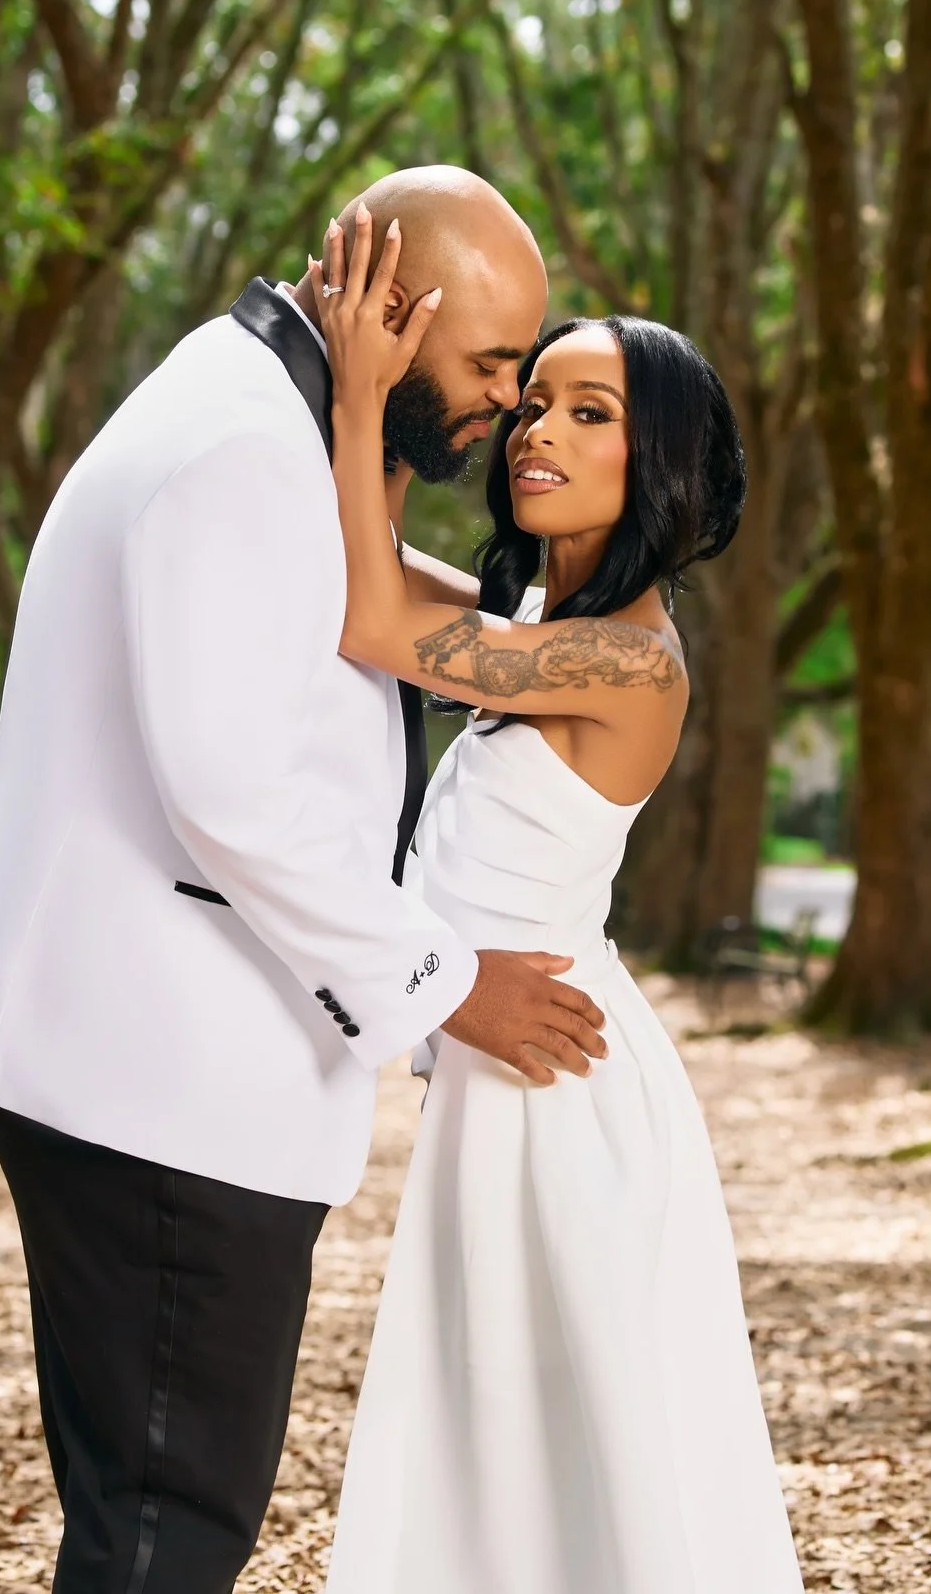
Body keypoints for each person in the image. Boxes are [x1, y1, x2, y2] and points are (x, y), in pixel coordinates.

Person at [0, 167, 610, 1594]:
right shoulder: (241, 446)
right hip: (161, 1084)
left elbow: (344, 599)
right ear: (389, 309)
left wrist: (543, 627)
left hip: (137, 1059)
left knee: (151, 1519)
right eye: (487, 364)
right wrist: (447, 983)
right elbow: (234, 788)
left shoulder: (256, 414)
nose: (502, 404)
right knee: (170, 1528)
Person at [318, 207, 805, 1593]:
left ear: (656, 459)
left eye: (587, 410)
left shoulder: (633, 666)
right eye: (531, 398)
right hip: (505, 1070)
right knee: (502, 1455)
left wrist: (367, 390)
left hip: (561, 1089)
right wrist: (385, 424)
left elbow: (371, 620)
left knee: (584, 1460)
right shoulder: (545, 638)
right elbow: (366, 579)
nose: (536, 428)